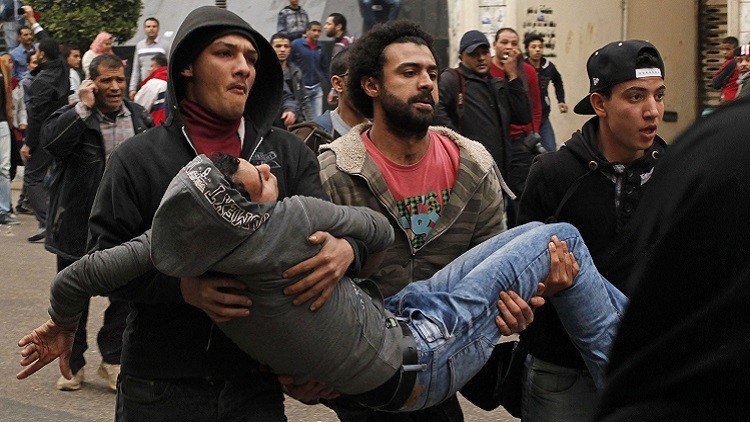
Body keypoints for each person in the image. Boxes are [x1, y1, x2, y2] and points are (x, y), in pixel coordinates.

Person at [18, 152, 628, 412]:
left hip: (399, 324)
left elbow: (77, 277)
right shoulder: (293, 219)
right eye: (257, 177)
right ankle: (644, 378)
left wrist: (64, 326)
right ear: (242, 208)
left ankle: (644, 346)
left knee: (537, 234)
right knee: (563, 239)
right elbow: (383, 230)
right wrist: (345, 244)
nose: (268, 169)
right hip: (422, 358)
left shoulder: (175, 244)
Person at [36, 6, 366, 420]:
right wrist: (183, 289)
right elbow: (104, 260)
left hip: (256, 388)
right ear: (187, 67)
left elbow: (345, 236)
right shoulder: (137, 158)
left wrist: (347, 251)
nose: (243, 68)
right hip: (160, 385)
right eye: (225, 53)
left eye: (251, 59)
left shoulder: (287, 153)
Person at [316, 20, 523, 421]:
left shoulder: (473, 165)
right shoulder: (336, 172)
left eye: (431, 72)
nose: (427, 82)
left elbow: (491, 266)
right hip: (363, 369)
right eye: (409, 72)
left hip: (443, 357)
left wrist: (510, 305)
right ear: (371, 85)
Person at [517, 40, 667, 422]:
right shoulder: (553, 174)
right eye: (636, 96)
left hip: (643, 371)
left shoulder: (675, 173)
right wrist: (544, 287)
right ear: (600, 104)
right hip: (560, 376)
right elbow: (519, 275)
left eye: (659, 95)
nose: (652, 111)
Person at [42, 53, 153, 392]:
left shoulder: (139, 117)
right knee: (76, 296)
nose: (115, 87)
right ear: (92, 83)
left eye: (120, 79)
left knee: (124, 295)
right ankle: (72, 364)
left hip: (126, 222)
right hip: (77, 222)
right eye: (107, 80)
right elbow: (52, 145)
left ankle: (113, 360)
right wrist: (81, 108)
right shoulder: (76, 115)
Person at [434, 30, 532, 189]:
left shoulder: (497, 84)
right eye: (474, 54)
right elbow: (436, 110)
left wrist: (513, 76)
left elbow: (523, 116)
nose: (481, 58)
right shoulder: (452, 79)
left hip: (501, 172)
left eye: (485, 52)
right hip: (470, 172)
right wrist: (459, 144)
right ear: (461, 58)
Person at [490, 27, 543, 227]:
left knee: (520, 197)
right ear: (495, 44)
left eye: (514, 43)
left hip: (520, 143)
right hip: (494, 143)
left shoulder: (527, 71)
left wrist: (533, 132)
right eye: (504, 42)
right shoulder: (487, 70)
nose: (509, 47)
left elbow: (536, 107)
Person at [21, 36, 69, 243]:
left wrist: (28, 144)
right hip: (62, 130)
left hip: (44, 135)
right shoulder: (63, 70)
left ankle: (48, 222)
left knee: (32, 177)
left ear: (42, 54)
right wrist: (35, 25)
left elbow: (36, 117)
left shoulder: (41, 81)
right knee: (55, 178)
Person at [291, 49, 367, 152]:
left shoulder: (384, 134)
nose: (368, 85)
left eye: (375, 77)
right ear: (338, 84)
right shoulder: (309, 136)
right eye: (358, 76)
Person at [525, 33, 567, 152]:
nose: (537, 50)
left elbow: (558, 81)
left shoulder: (548, 67)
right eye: (533, 47)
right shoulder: (522, 67)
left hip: (543, 116)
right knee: (528, 151)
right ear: (527, 49)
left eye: (540, 47)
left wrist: (561, 100)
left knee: (551, 150)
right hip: (526, 119)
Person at [270, 32, 311, 124]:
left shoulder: (295, 71)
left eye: (286, 46)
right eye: (278, 46)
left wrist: (309, 123)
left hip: (294, 120)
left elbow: (304, 99)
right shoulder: (265, 72)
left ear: (290, 49)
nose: (282, 49)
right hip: (272, 122)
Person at [128, 17, 170, 100]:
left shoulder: (166, 44)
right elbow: (136, 69)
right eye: (148, 26)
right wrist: (132, 88)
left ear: (158, 28)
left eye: (154, 26)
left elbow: (169, 66)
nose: (151, 29)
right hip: (145, 86)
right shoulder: (140, 45)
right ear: (144, 29)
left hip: (161, 85)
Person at [291, 21, 326, 119]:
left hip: (316, 88)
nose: (316, 33)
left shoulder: (321, 46)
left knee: (317, 119)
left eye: (319, 31)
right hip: (301, 89)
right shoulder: (296, 44)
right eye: (314, 30)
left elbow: (324, 67)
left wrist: (327, 85)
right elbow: (290, 62)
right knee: (301, 118)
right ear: (307, 31)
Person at [323, 12, 355, 106]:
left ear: (338, 27)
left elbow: (339, 68)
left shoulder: (342, 44)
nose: (325, 27)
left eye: (328, 24)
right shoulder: (349, 38)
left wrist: (333, 90)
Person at [0, 52, 15, 225]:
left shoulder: (3, 69)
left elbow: (8, 102)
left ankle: (4, 209)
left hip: (2, 123)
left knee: (4, 168)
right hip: (3, 124)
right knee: (4, 168)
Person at [134, 53, 168, 125]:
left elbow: (138, 109)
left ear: (158, 67)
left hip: (156, 127)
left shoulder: (153, 83)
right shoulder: (174, 80)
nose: (149, 69)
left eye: (152, 66)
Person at [711, 36, 740, 103]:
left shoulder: (732, 63)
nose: (724, 52)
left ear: (736, 49)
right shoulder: (737, 61)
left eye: (728, 49)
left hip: (729, 98)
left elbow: (715, 83)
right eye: (723, 49)